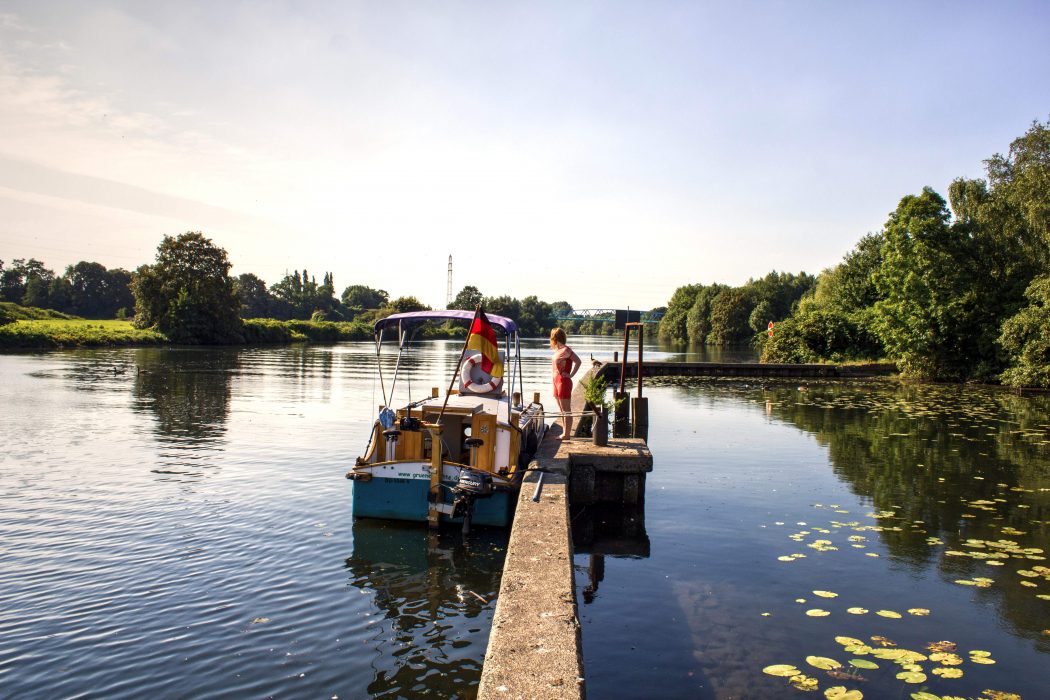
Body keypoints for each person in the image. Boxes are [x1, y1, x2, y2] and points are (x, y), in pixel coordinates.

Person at [550, 327, 582, 438]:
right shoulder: (557, 351)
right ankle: (564, 432)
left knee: (566, 409)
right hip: (556, 382)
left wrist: (571, 375)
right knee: (561, 409)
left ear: (554, 338)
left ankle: (567, 434)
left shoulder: (566, 350)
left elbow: (578, 361)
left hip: (563, 382)